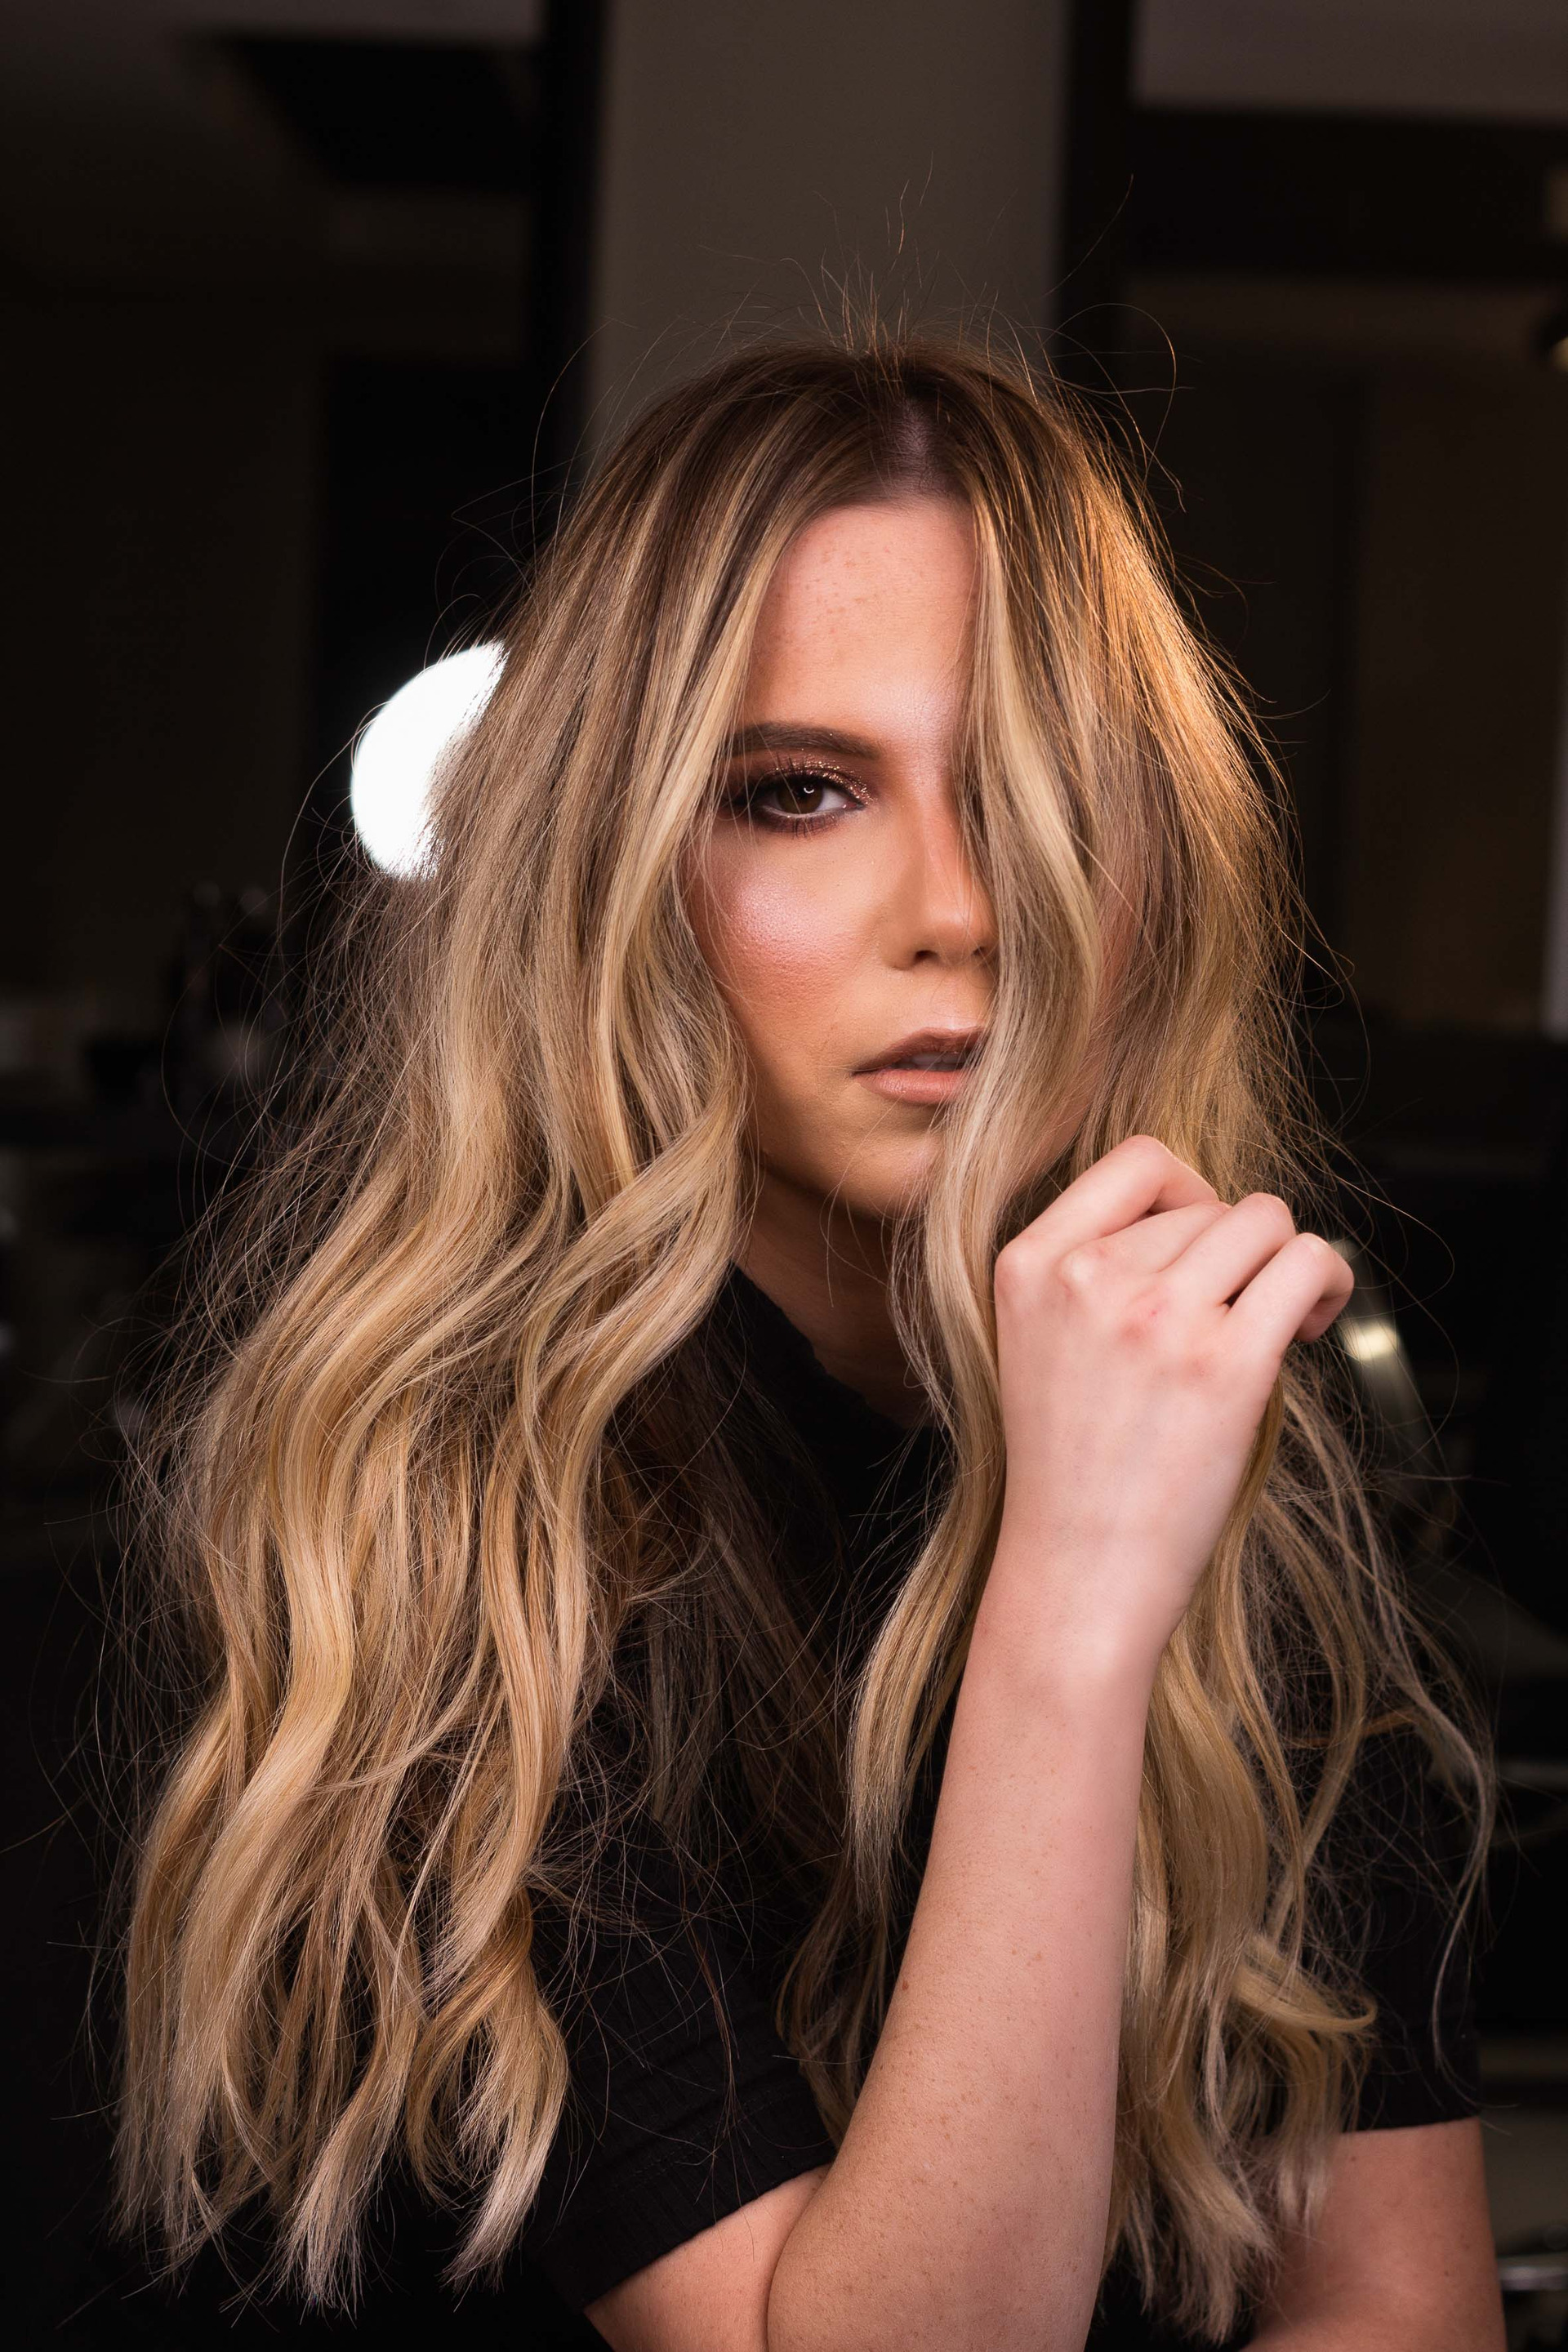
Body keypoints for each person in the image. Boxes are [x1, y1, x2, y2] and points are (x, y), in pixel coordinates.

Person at [100, 334, 1502, 2350]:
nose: (959, 909)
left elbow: (1397, 2310)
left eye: (1037, 789)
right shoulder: (449, 1523)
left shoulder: (1221, 1437)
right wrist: (1074, 1602)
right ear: (618, 874)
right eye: (801, 793)